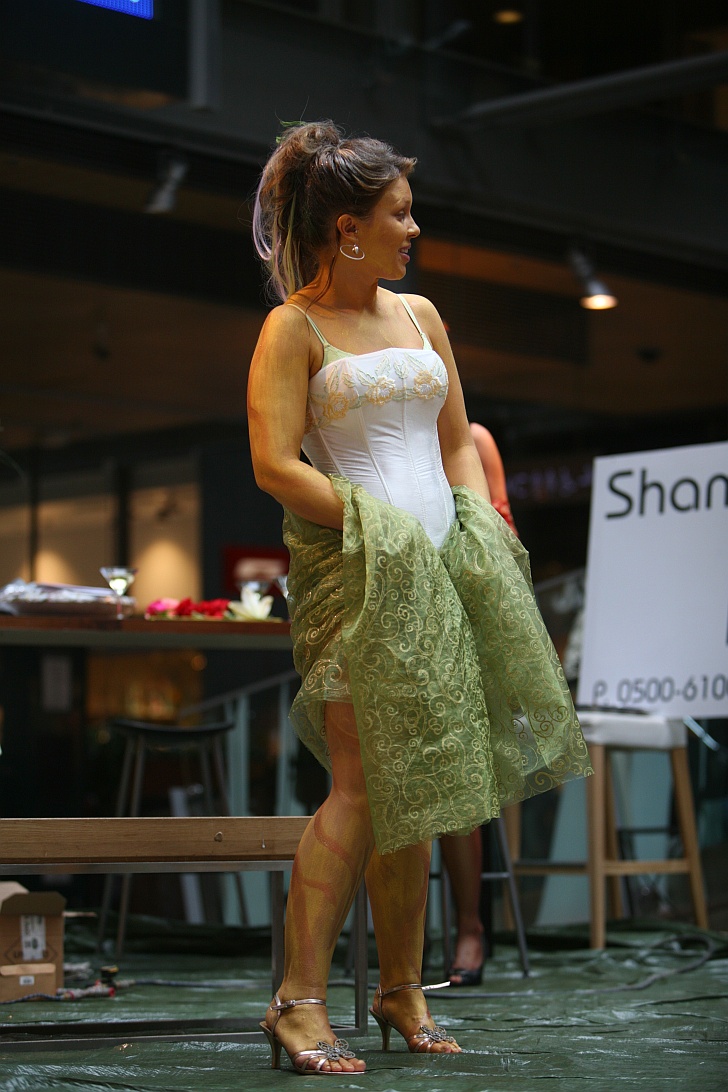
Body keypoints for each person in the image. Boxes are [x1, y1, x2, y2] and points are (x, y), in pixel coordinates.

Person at [247, 120, 591, 1075]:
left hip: (447, 569)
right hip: (357, 572)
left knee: (420, 789)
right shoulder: (292, 329)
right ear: (348, 229)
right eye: (399, 214)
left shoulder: (421, 314)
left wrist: (477, 524)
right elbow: (274, 465)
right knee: (363, 787)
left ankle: (402, 988)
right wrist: (380, 526)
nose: (414, 228)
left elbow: (454, 441)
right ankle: (298, 1002)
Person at [439, 422, 519, 987]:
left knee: (459, 776)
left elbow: (502, 531)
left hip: (465, 610)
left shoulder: (473, 438)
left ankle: (470, 925)